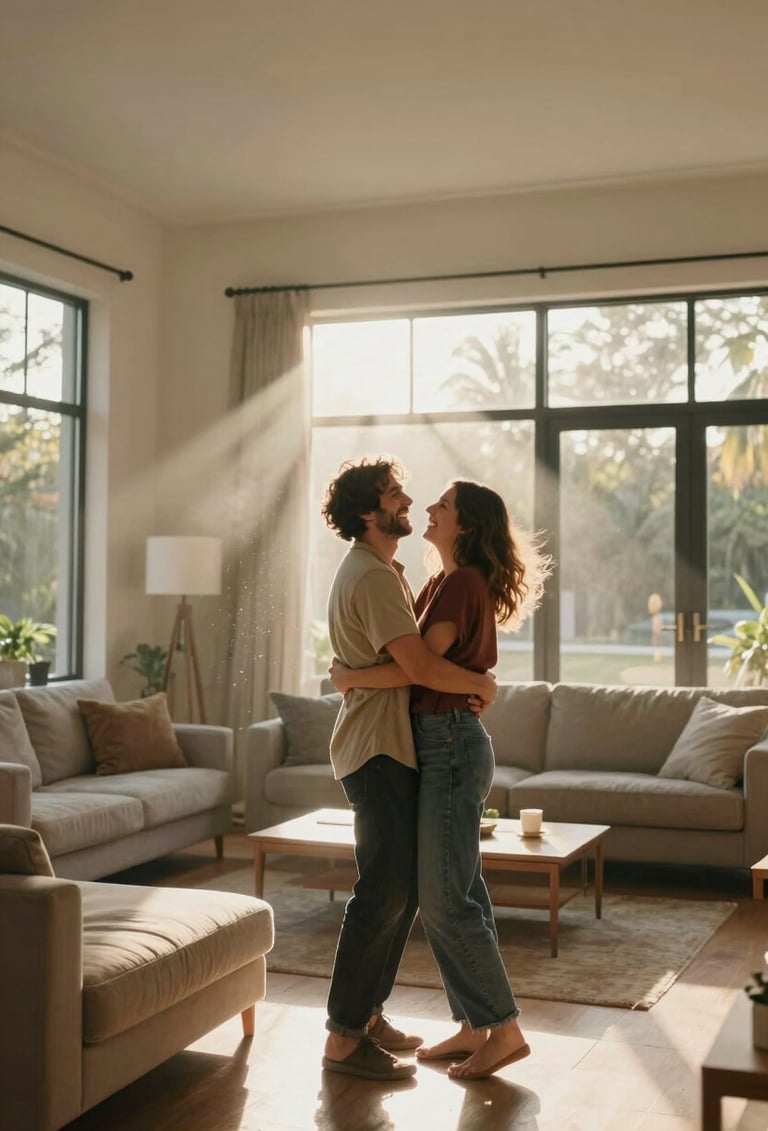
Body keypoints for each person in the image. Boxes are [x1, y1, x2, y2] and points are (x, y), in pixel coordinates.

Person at [330, 479, 551, 1080]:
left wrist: (347, 676)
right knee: (460, 888)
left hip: (449, 742)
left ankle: (501, 1029)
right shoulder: (433, 581)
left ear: (467, 526)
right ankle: (473, 1024)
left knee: (444, 897)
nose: (428, 507)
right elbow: (418, 667)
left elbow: (419, 669)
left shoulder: (459, 582)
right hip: (439, 740)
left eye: (443, 506)